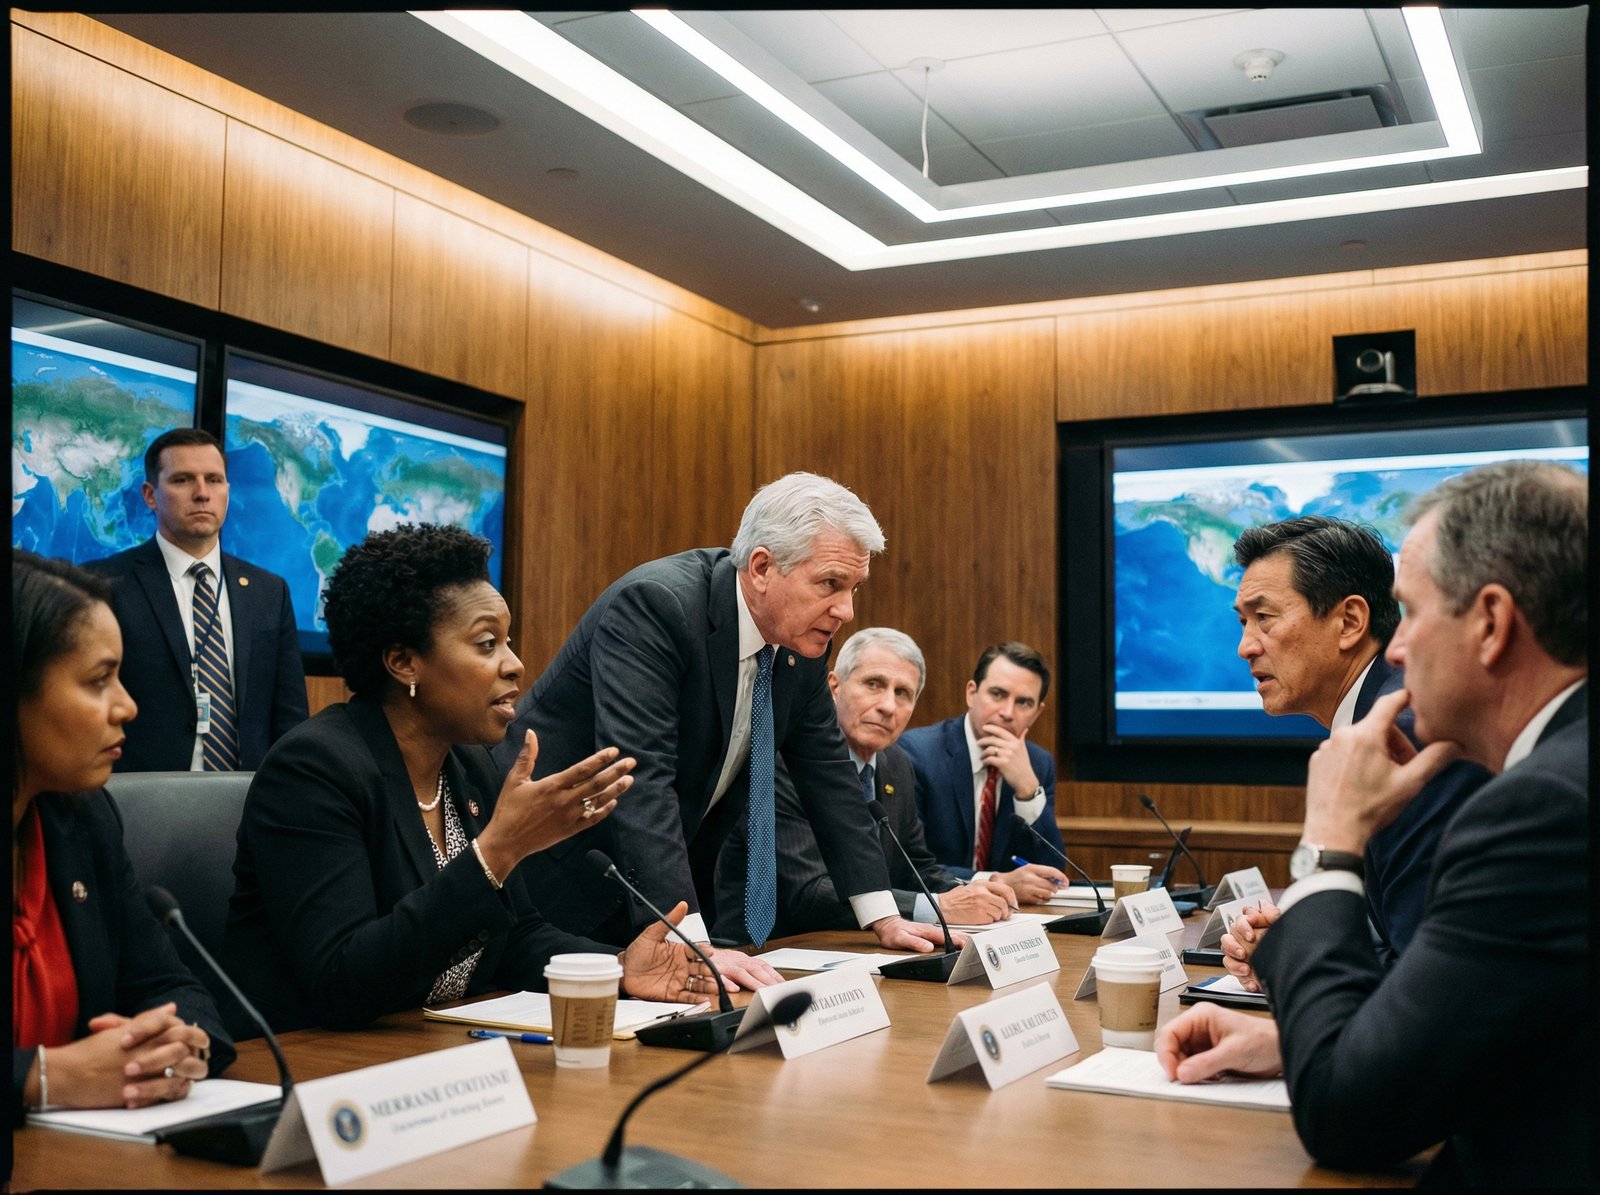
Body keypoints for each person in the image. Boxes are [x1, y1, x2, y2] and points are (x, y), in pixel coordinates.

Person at [1157, 461, 1591, 1188]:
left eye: (1412, 613)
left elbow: (1349, 1117)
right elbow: (1466, 1010)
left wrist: (1327, 850)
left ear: (1491, 623)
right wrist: (1291, 1038)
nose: (1396, 649)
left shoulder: (1536, 805)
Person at [221, 524, 709, 1034]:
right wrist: (498, 852)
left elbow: (515, 938)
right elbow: (341, 981)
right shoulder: (313, 771)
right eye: (486, 643)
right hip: (307, 1058)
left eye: (508, 642)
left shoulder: (469, 765)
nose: (515, 665)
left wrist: (618, 968)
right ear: (403, 662)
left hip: (428, 1049)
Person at [493, 473, 953, 990]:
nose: (846, 610)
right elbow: (640, 780)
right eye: (830, 584)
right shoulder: (657, 606)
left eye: (854, 588)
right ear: (762, 568)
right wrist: (690, 945)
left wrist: (882, 915)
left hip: (655, 898)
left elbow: (831, 780)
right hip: (556, 876)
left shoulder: (800, 644)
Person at [11, 550, 234, 1128]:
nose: (127, 706)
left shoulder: (81, 818)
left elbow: (171, 987)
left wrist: (172, 1047)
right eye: (98, 680)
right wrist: (43, 1078)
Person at [1221, 516, 1486, 984]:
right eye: (1244, 622)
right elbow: (1402, 940)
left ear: (1349, 622)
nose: (1245, 647)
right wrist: (1297, 946)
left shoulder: (1400, 737)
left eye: (1264, 618)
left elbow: (1432, 980)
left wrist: (1305, 965)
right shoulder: (1379, 713)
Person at [711, 628, 1017, 941]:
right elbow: (807, 892)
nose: (888, 706)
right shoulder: (784, 759)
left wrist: (973, 892)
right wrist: (936, 906)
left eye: (903, 693)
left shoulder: (895, 764)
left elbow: (916, 866)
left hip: (860, 946)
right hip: (766, 949)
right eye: (874, 684)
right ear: (834, 686)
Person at [86, 428, 308, 771]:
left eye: (214, 480)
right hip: (138, 795)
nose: (202, 493)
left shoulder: (269, 592)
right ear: (150, 495)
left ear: (227, 491)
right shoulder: (103, 585)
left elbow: (290, 718)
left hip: (249, 795)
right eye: (183, 480)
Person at [898, 642, 1069, 902]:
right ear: (971, 693)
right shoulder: (918, 754)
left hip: (1012, 918)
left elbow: (1053, 875)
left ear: (1037, 713)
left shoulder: (1038, 764)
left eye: (1023, 702)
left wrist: (1028, 791)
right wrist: (996, 881)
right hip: (938, 911)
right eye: (998, 694)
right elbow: (908, 867)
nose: (1007, 713)